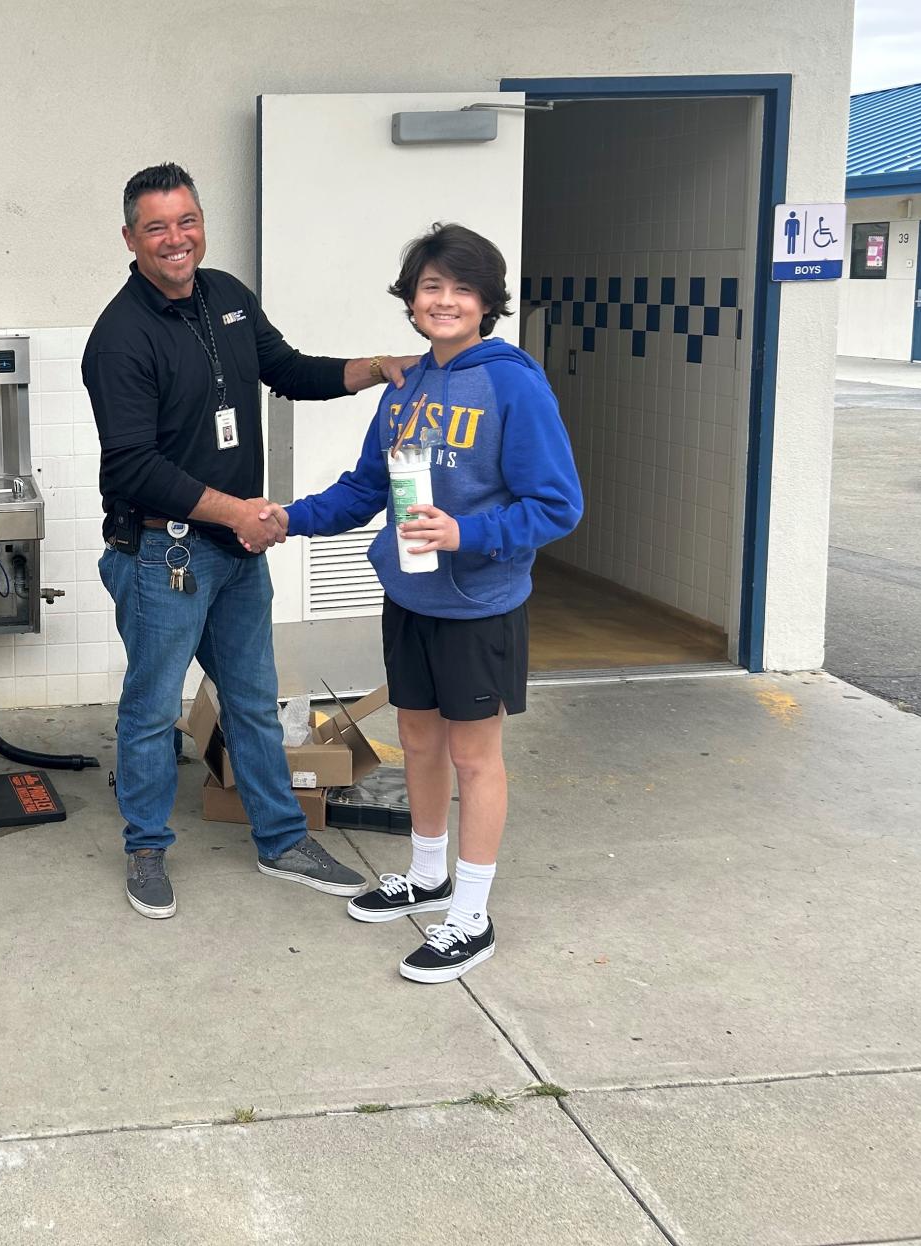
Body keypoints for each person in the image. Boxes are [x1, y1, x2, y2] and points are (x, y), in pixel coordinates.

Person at [81, 162, 409, 920]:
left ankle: (282, 840)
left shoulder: (226, 295)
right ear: (129, 238)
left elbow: (287, 369)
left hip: (235, 555)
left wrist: (376, 367)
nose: (175, 239)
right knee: (151, 709)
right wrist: (235, 512)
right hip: (164, 556)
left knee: (255, 703)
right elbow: (131, 466)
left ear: (202, 223)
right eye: (156, 227)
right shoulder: (120, 337)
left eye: (187, 221)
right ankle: (145, 848)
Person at [270, 222, 583, 982]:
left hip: (479, 606)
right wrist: (286, 518)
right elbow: (364, 489)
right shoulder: (404, 387)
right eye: (431, 287)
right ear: (410, 300)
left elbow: (557, 505)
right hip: (410, 596)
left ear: (487, 302)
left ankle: (471, 914)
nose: (445, 301)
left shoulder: (512, 383)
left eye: (462, 288)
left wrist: (466, 533)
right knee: (417, 742)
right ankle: (427, 872)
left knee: (475, 758)